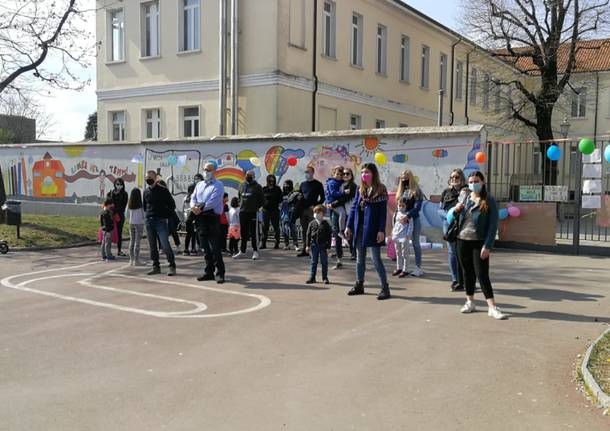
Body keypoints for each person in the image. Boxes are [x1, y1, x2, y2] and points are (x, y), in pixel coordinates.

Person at [453, 171, 505, 320]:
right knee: (467, 273)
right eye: (470, 181)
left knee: (482, 274)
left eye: (476, 181)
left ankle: (492, 307)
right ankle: (470, 302)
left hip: (479, 242)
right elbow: (458, 218)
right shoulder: (466, 199)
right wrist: (457, 210)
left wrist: (487, 245)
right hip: (462, 240)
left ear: (483, 182)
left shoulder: (489, 200)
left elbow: (492, 225)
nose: (473, 184)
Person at [344, 163, 390, 300]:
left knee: (376, 259)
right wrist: (348, 226)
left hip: (373, 228)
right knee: (360, 258)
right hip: (359, 228)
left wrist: (381, 230)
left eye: (367, 172)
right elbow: (353, 209)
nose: (364, 174)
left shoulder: (381, 189)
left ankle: (384, 288)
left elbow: (382, 213)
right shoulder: (360, 189)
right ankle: (359, 284)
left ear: (373, 174)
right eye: (363, 172)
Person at [190, 163, 226, 284]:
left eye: (209, 170)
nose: (206, 172)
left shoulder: (218, 185)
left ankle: (220, 272)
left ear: (214, 171)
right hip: (200, 218)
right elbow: (193, 197)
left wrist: (199, 208)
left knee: (215, 247)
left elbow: (213, 202)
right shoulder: (199, 184)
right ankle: (208, 272)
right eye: (205, 170)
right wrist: (193, 207)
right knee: (205, 247)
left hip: (211, 218)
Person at [143, 170, 177, 276]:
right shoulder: (145, 191)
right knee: (152, 245)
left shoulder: (163, 190)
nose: (148, 179)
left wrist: (165, 215)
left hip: (160, 221)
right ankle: (155, 266)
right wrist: (148, 216)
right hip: (149, 221)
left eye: (150, 177)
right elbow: (145, 206)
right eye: (146, 177)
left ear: (155, 178)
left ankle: (172, 266)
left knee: (164, 244)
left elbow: (172, 205)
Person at [439, 169, 466, 291]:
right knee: (452, 252)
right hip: (449, 224)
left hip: (464, 224)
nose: (454, 179)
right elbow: (439, 210)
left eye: (457, 177)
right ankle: (455, 280)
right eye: (452, 177)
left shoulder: (467, 191)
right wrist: (450, 214)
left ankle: (465, 280)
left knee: (464, 253)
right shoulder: (446, 192)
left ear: (462, 178)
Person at [396, 170, 425, 277]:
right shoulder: (400, 190)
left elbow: (417, 207)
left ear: (411, 178)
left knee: (415, 243)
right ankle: (403, 267)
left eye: (406, 178)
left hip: (413, 220)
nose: (404, 180)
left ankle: (418, 267)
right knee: (402, 244)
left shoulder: (416, 190)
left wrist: (408, 216)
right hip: (402, 222)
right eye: (402, 178)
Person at [234, 170, 264, 260]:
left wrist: (256, 208)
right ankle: (242, 251)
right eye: (247, 175)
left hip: (252, 212)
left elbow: (262, 199)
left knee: (253, 233)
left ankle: (255, 251)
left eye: (250, 175)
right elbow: (239, 197)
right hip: (243, 212)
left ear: (253, 177)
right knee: (243, 233)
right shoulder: (241, 185)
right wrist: (241, 205)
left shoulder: (258, 187)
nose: (248, 176)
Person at [297, 166, 324, 257]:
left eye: (308, 172)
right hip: (303, 210)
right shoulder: (302, 184)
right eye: (305, 172)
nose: (306, 174)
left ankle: (313, 251)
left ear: (312, 172)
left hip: (312, 211)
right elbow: (300, 195)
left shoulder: (318, 184)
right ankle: (305, 250)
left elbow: (323, 197)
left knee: (313, 231)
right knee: (304, 231)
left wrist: (316, 206)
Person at [325, 166, 346, 269]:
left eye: (341, 174)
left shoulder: (344, 183)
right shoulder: (332, 183)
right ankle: (339, 258)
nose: (339, 176)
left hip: (337, 206)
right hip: (334, 206)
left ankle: (345, 256)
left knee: (339, 232)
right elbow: (333, 194)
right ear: (333, 174)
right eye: (337, 174)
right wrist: (342, 194)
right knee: (336, 231)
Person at [305, 205, 332, 284]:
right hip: (314, 246)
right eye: (315, 212)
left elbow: (329, 236)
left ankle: (325, 277)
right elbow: (308, 235)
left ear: (323, 214)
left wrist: (328, 247)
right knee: (313, 262)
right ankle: (312, 277)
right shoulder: (311, 223)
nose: (316, 214)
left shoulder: (326, 224)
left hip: (323, 246)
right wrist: (307, 245)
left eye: (318, 213)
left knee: (324, 262)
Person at [391, 199, 413, 278]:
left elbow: (410, 225)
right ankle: (399, 268)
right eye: (399, 205)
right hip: (396, 235)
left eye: (403, 206)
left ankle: (405, 269)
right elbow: (394, 223)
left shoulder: (408, 214)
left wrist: (408, 235)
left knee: (405, 254)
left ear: (406, 206)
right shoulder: (396, 213)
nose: (401, 207)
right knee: (398, 253)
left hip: (404, 237)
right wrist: (393, 232)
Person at [107, 178, 128, 256]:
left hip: (119, 216)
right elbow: (107, 203)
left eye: (120, 184)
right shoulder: (110, 193)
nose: (119, 186)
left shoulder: (124, 194)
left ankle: (119, 250)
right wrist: (110, 211)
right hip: (110, 215)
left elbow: (123, 206)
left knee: (119, 233)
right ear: (114, 184)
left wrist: (115, 210)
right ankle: (107, 250)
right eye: (117, 184)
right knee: (108, 233)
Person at [184, 174, 203, 256]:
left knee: (192, 233)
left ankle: (192, 248)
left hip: (193, 216)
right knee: (192, 233)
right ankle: (190, 249)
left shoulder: (198, 197)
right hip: (191, 216)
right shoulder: (189, 198)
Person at [261, 174, 282, 249]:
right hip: (266, 210)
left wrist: (279, 205)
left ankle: (277, 243)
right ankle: (263, 243)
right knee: (264, 227)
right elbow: (261, 198)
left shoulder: (277, 189)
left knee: (276, 227)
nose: (271, 181)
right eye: (270, 179)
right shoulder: (264, 189)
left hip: (275, 210)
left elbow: (281, 198)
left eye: (273, 179)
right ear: (267, 180)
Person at [127, 187, 145, 266]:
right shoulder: (141, 204)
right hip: (139, 223)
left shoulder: (129, 203)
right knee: (137, 242)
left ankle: (131, 260)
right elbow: (144, 215)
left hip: (131, 223)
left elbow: (126, 214)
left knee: (132, 241)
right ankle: (136, 260)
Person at [280, 180, 300, 250]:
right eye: (285, 185)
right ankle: (286, 244)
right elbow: (279, 202)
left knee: (293, 229)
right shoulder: (282, 194)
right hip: (284, 214)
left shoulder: (294, 194)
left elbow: (296, 202)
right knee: (285, 229)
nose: (286, 186)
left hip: (291, 213)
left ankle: (296, 245)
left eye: (288, 185)